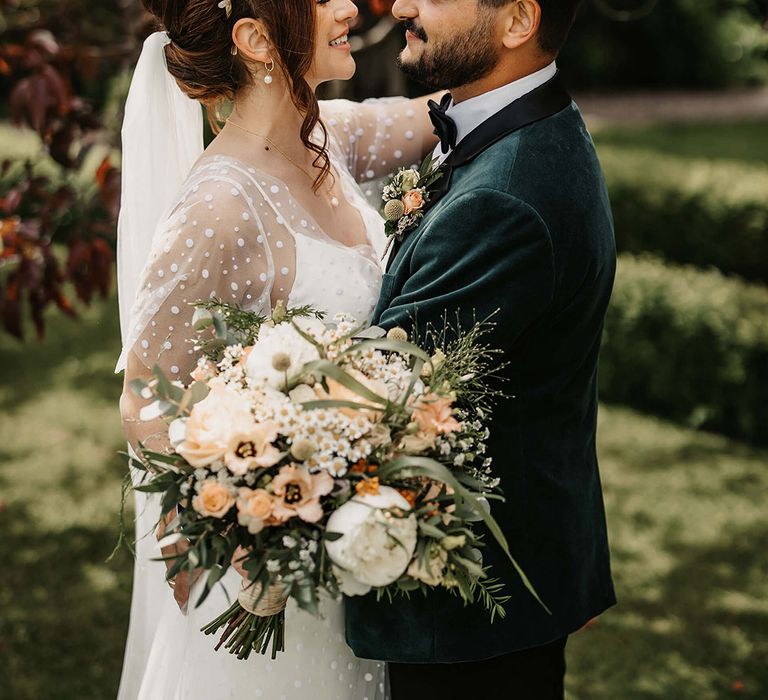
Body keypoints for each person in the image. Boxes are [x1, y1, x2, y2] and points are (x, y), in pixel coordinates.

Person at [115, 0, 439, 697]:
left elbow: (455, 111)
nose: (351, 6)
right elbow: (145, 397)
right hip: (272, 584)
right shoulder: (219, 207)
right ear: (257, 39)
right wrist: (252, 509)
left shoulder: (332, 138)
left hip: (352, 562)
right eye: (323, 0)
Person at [344, 1, 617, 698]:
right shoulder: (521, 131)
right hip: (506, 591)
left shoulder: (505, 196)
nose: (402, 4)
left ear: (518, 20)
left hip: (471, 619)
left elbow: (374, 397)